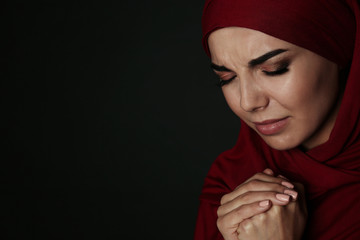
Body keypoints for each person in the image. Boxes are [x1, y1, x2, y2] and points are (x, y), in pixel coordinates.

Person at [194, 0, 360, 239]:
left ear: (339, 50)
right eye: (226, 78)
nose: (247, 102)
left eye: (274, 68)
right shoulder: (228, 185)